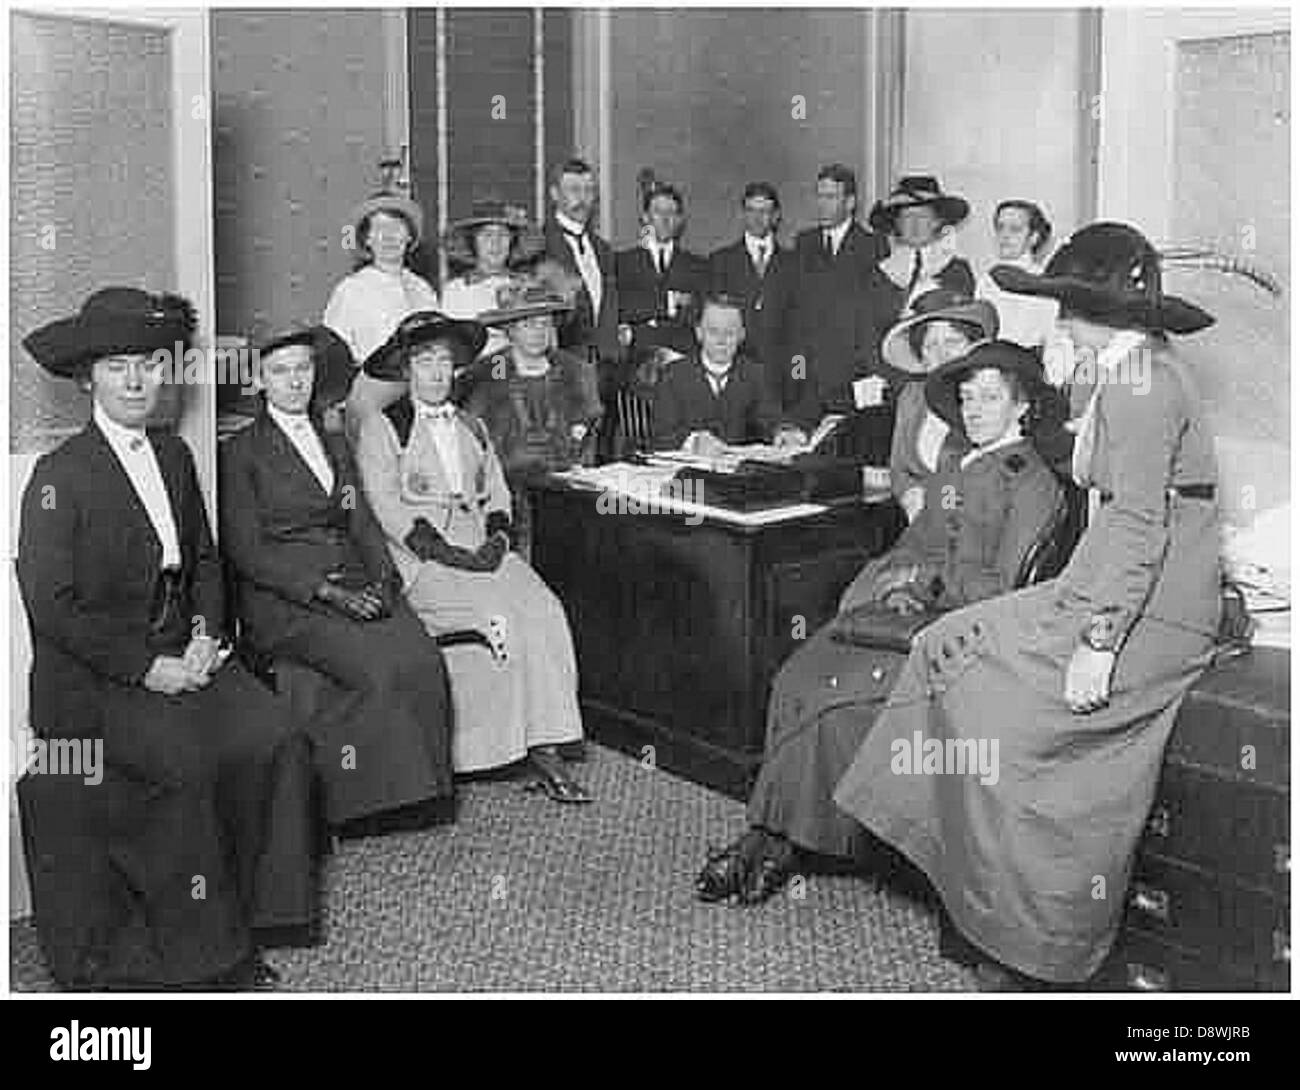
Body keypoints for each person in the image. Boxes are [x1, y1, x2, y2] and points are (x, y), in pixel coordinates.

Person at [832, 222, 1224, 990]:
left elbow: (1142, 522)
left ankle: (1031, 940)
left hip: (1155, 607)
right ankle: (971, 895)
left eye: (1067, 309)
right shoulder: (1125, 370)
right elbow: (1117, 517)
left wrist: (1099, 641)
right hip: (1104, 576)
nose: (1060, 324)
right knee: (943, 643)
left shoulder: (1143, 380)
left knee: (994, 708)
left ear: (1096, 313)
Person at [16, 288, 317, 990]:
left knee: (276, 734)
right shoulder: (58, 479)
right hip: (95, 682)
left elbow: (207, 560)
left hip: (187, 650)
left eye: (148, 366)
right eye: (117, 366)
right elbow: (50, 607)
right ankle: (212, 958)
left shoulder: (176, 455)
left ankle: (266, 916)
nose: (134, 382)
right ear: (87, 376)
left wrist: (210, 635)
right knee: (185, 761)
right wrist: (148, 668)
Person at [696, 341, 1062, 908]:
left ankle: (770, 846)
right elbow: (912, 545)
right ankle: (768, 840)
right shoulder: (955, 464)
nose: (975, 409)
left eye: (990, 398)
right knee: (798, 675)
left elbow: (1008, 596)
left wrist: (925, 585)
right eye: (967, 398)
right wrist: (888, 582)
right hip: (906, 615)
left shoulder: (1031, 482)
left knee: (830, 698)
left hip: (957, 639)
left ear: (1021, 407)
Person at [220, 325, 457, 834]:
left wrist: (385, 577)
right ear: (259, 382)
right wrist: (329, 592)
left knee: (418, 655)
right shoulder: (240, 453)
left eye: (302, 368)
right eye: (279, 372)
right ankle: (357, 810)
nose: (294, 381)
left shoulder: (333, 441)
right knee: (376, 666)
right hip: (285, 598)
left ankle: (421, 797)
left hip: (351, 577)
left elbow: (360, 519)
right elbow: (247, 551)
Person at [355, 312, 594, 803]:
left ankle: (546, 740)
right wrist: (442, 552)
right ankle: (490, 746)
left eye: (445, 362)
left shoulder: (471, 424)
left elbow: (498, 494)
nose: (438, 373)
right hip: (425, 560)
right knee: (497, 616)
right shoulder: (384, 429)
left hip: (479, 548)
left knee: (543, 609)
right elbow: (386, 506)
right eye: (426, 362)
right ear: (406, 370)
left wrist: (496, 541)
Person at [467, 277, 603, 556]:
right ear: (510, 330)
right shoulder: (487, 374)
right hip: (505, 492)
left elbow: (587, 437)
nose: (538, 332)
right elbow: (473, 443)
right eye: (528, 324)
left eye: (544, 324)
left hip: (565, 488)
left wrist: (577, 471)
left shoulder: (576, 372)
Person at [783, 164, 892, 451]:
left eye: (831, 196)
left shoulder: (873, 246)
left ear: (850, 201)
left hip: (850, 375)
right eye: (819, 196)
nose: (822, 204)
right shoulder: (804, 242)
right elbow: (797, 310)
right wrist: (797, 371)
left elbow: (875, 319)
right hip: (809, 377)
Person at [323, 190, 439, 437]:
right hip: (374, 405)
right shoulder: (350, 290)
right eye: (378, 229)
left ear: (409, 236)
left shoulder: (423, 289)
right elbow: (333, 357)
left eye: (397, 227)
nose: (389, 237)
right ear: (367, 239)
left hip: (424, 401)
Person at [881, 290, 999, 521]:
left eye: (952, 341)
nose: (942, 354)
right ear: (923, 360)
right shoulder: (912, 397)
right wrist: (910, 494)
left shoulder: (992, 398)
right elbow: (898, 468)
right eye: (930, 346)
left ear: (973, 347)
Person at [651, 294, 805, 452]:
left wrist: (783, 432)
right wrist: (694, 442)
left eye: (730, 333)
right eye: (713, 331)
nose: (721, 341)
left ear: (741, 336)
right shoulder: (672, 376)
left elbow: (771, 418)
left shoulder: (755, 374)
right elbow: (662, 435)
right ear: (699, 333)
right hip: (690, 473)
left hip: (739, 472)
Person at [708, 181, 797, 402]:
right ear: (742, 215)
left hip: (781, 380)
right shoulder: (720, 262)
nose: (757, 218)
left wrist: (798, 379)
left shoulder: (795, 263)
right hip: (734, 379)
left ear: (776, 216)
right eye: (751, 210)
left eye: (765, 211)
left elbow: (801, 333)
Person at [440, 195, 545, 360]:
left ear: (512, 241)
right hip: (473, 378)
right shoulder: (456, 290)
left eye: (503, 235)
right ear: (473, 241)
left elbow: (545, 342)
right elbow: (451, 348)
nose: (495, 243)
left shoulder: (527, 286)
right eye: (487, 235)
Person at [615, 181, 711, 357]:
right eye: (658, 212)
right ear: (645, 217)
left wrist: (643, 313)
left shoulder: (698, 266)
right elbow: (622, 308)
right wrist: (670, 302)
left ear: (680, 220)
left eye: (672, 213)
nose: (666, 219)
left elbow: (699, 314)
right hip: (636, 359)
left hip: (682, 358)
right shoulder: (622, 262)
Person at [867, 174, 976, 317]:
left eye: (923, 216)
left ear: (937, 221)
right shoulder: (879, 274)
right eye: (907, 217)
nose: (915, 224)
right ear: (897, 224)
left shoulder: (955, 270)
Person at [976, 199, 1060, 351]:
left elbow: (1052, 341)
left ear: (1033, 237)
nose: (1004, 236)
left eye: (1015, 229)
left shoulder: (1045, 284)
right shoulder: (986, 281)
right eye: (1000, 228)